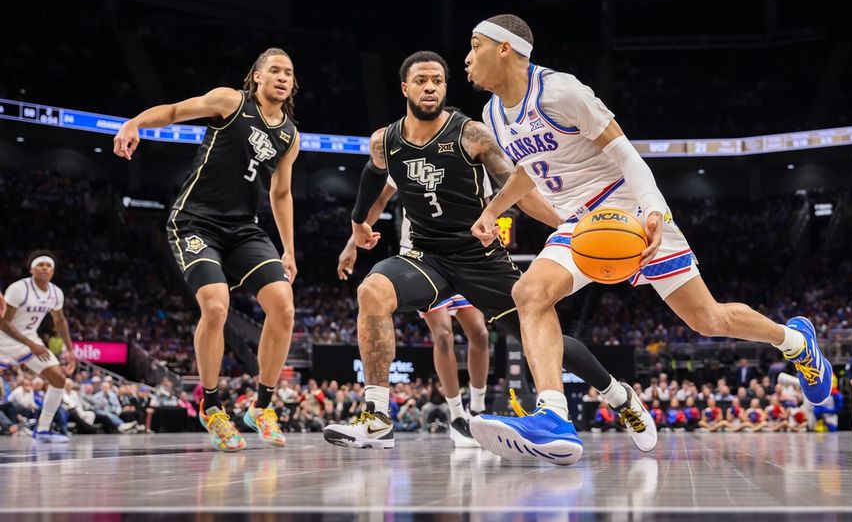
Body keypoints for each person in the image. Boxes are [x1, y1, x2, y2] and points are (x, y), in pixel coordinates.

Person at [465, 14, 834, 465]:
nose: (466, 58)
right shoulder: (491, 115)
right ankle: (554, 417)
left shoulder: (561, 91)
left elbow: (625, 152)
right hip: (581, 223)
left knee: (708, 319)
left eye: (474, 45)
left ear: (505, 48)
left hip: (627, 210)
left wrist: (654, 210)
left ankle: (794, 342)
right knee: (530, 292)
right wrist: (491, 210)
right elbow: (530, 169)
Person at [323, 51, 655, 454]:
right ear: (405, 87)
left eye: (438, 81)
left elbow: (519, 187)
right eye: (422, 80)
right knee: (371, 291)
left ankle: (619, 395)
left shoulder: (472, 135)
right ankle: (376, 417)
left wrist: (567, 225)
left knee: (546, 341)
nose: (431, 87)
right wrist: (358, 224)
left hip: (480, 258)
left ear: (445, 88)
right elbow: (373, 176)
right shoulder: (385, 140)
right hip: (425, 256)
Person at [113, 47, 300, 452]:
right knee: (216, 306)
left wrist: (289, 248)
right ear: (257, 77)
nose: (282, 77)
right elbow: (178, 110)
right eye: (274, 71)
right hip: (195, 221)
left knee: (283, 306)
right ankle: (212, 407)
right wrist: (135, 123)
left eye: (288, 72)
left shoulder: (289, 134)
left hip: (244, 229)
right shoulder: (231, 101)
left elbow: (281, 193)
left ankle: (262, 406)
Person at [337, 177, 490, 447]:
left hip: (463, 252)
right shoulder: (407, 147)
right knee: (442, 335)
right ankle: (457, 416)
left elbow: (487, 205)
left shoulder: (470, 147)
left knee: (479, 332)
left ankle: (477, 409)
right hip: (420, 255)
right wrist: (352, 243)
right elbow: (381, 198)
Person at [0, 251, 76, 442]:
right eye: (40, 265)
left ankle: (42, 430)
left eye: (48, 265)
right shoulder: (19, 289)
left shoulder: (55, 293)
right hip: (4, 338)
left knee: (58, 378)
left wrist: (70, 350)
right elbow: (3, 322)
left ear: (53, 270)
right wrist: (30, 344)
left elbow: (60, 321)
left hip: (29, 340)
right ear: (32, 269)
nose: (44, 268)